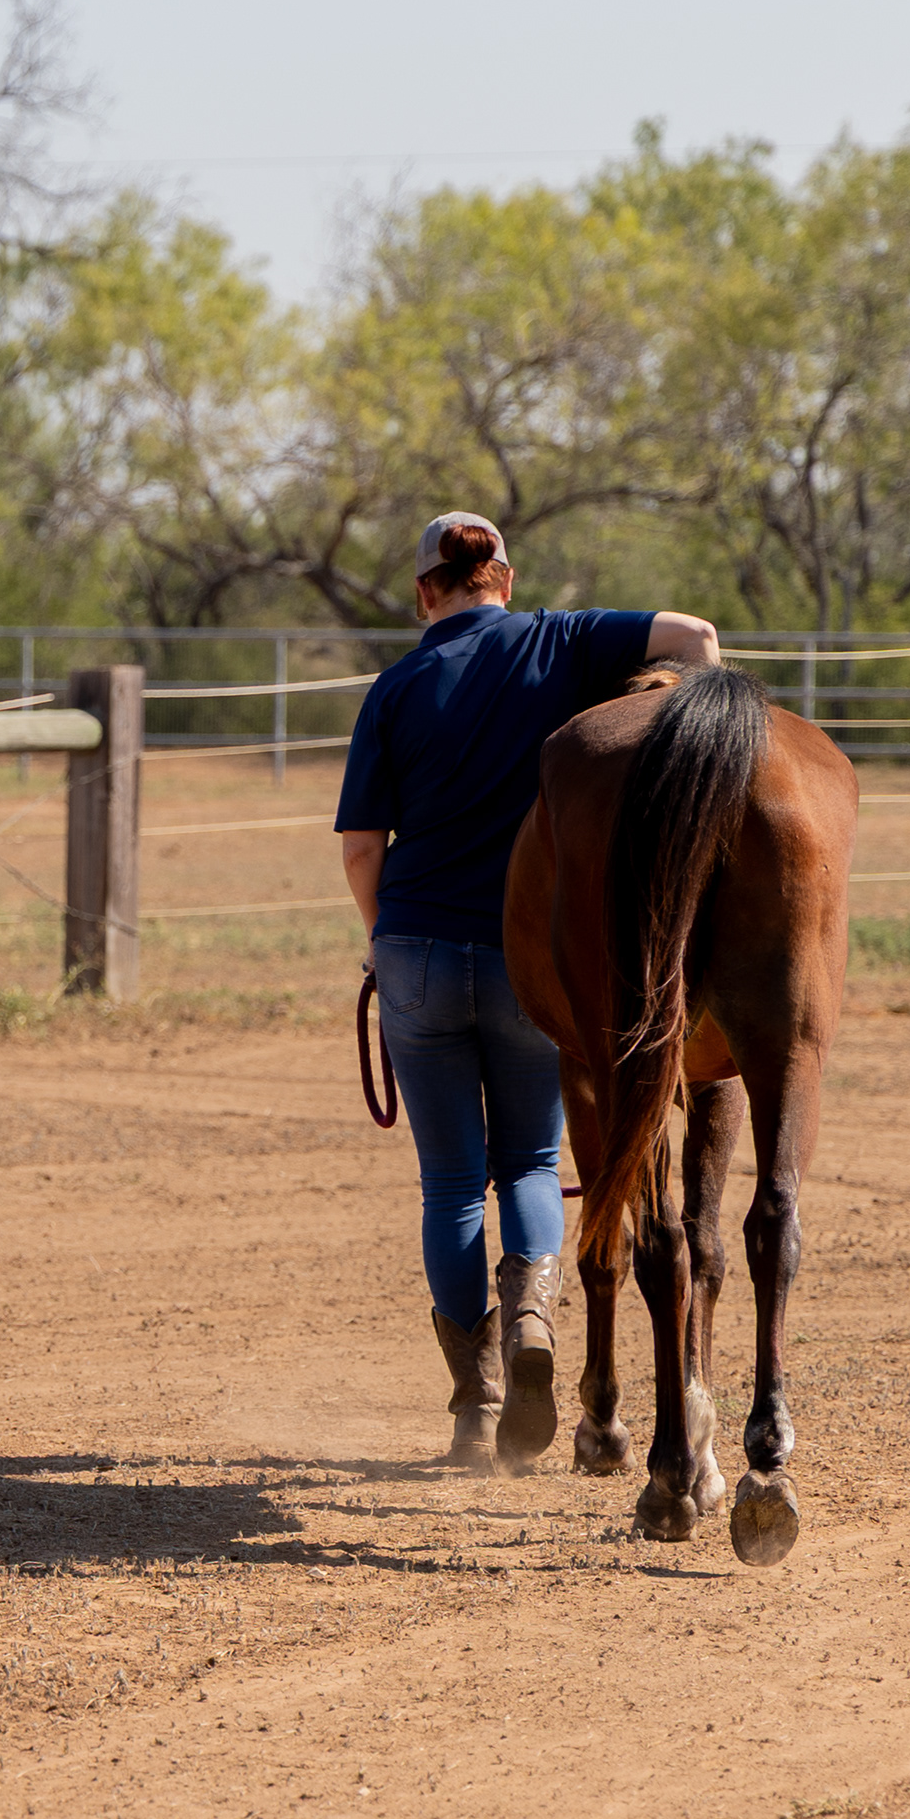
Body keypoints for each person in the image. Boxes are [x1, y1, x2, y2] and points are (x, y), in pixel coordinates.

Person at [334, 513, 718, 1468]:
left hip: (418, 951)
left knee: (454, 1185)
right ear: (504, 576)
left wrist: (382, 941)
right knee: (533, 1167)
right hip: (526, 955)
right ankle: (536, 1327)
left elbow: (359, 846)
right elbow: (697, 640)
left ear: (426, 592)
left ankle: (475, 1406)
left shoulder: (395, 687)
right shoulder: (563, 639)